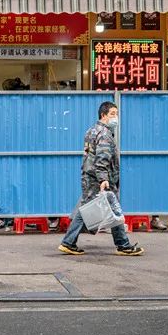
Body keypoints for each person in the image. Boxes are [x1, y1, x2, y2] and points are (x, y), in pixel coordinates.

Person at [59, 100, 143, 256]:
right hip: (100, 179)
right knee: (109, 210)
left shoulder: (91, 130)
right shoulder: (104, 134)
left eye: (117, 114)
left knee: (90, 209)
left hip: (89, 176)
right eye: (112, 114)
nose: (116, 117)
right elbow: (102, 159)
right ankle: (122, 245)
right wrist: (104, 179)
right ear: (103, 115)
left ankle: (69, 242)